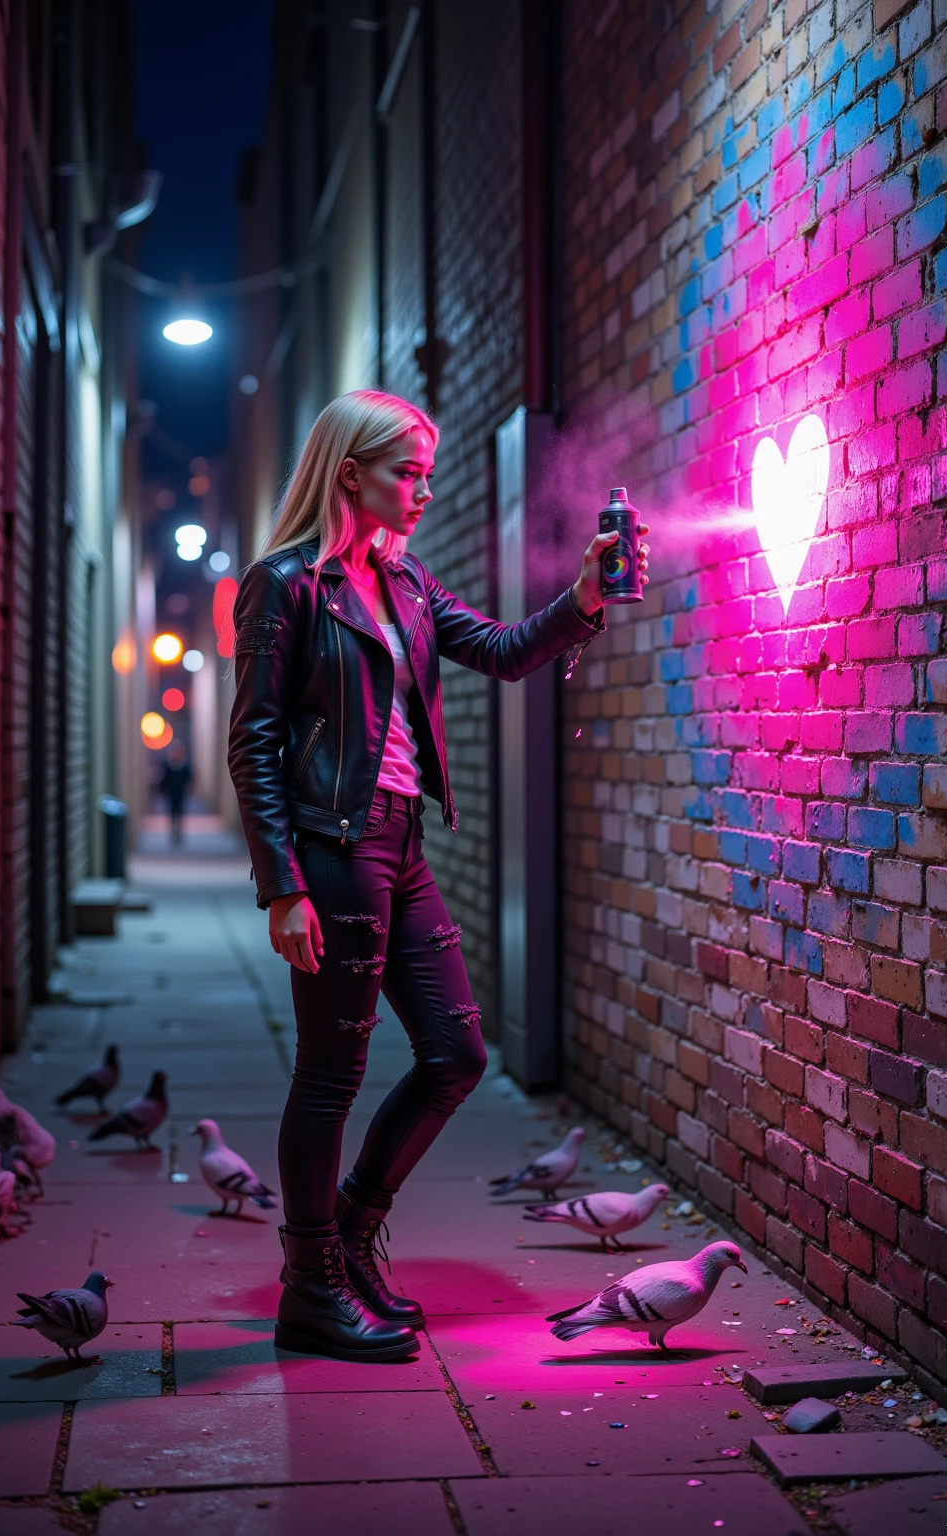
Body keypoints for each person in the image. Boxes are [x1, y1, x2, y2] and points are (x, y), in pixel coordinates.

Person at [227, 390, 650, 1363]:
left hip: (402, 845)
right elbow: (251, 744)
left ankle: (345, 1229)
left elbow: (501, 651)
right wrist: (281, 883)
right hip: (333, 847)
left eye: (425, 473)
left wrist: (584, 598)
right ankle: (309, 1287)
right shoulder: (286, 583)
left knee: (456, 1055)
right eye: (403, 473)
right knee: (330, 1073)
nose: (420, 490)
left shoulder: (406, 586)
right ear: (349, 475)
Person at [157, 740, 191, 846]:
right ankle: (173, 833)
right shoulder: (169, 765)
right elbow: (164, 780)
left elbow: (189, 779)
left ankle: (179, 833)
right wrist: (163, 791)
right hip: (171, 794)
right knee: (172, 813)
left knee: (180, 813)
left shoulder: (184, 766)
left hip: (181, 794)